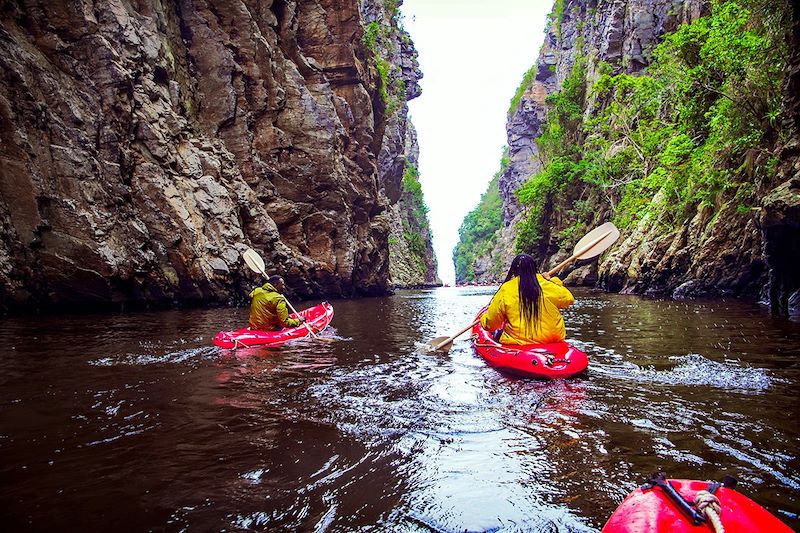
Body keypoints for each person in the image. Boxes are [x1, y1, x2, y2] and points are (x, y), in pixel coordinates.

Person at [481, 253, 575, 345]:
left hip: (519, 342)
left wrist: (483, 320)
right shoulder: (547, 284)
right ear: (534, 268)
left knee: (497, 333)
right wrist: (552, 281)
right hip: (552, 340)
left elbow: (490, 325)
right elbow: (569, 299)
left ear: (514, 271)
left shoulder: (506, 289)